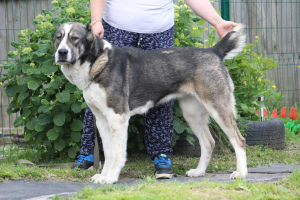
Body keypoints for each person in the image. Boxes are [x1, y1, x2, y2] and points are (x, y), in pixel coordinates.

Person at [72, 0, 239, 179]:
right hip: (117, 26)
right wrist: (96, 20)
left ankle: (161, 155)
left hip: (159, 30)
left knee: (161, 91)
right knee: (101, 96)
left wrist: (217, 21)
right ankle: (89, 153)